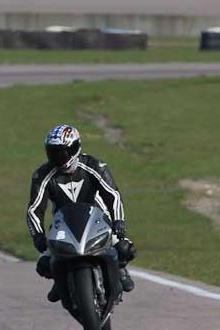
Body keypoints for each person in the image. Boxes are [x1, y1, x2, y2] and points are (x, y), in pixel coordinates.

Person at [27, 124, 137, 302]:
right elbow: (34, 208)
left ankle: (120, 267)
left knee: (125, 249)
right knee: (44, 265)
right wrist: (37, 235)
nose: (57, 157)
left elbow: (113, 195)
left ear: (74, 149)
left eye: (61, 152)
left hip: (98, 219)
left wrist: (119, 221)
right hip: (63, 223)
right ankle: (60, 280)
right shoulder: (42, 175)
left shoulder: (95, 165)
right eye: (52, 152)